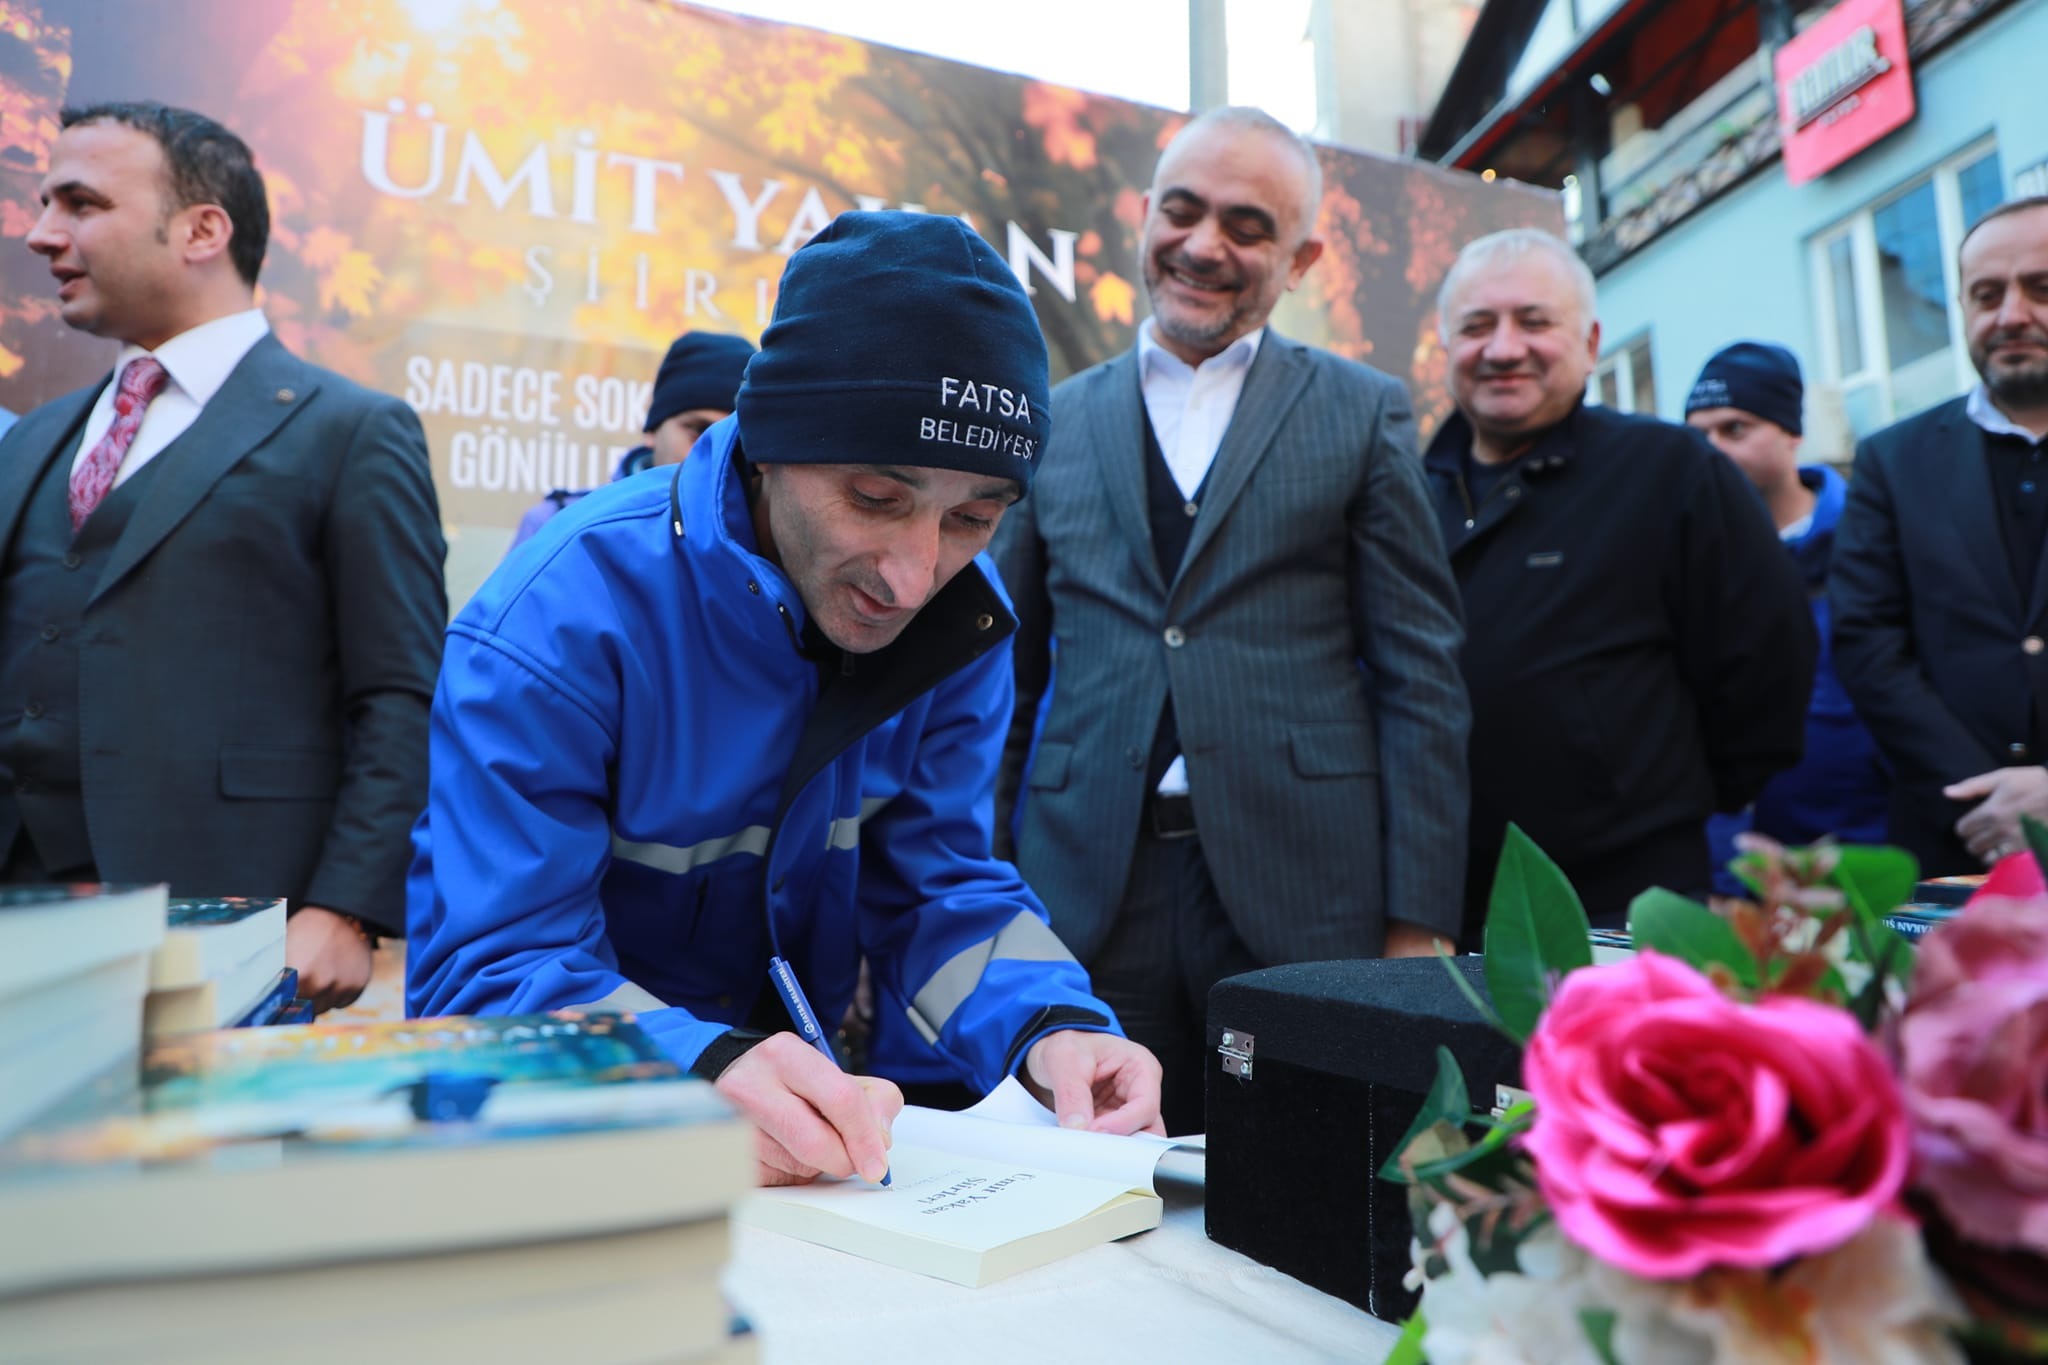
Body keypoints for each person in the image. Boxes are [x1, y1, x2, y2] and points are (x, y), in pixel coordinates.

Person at [408, 212, 1164, 1187]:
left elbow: (936, 883)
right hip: (566, 1152)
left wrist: (1050, 1025)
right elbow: (491, 968)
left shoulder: (958, 621)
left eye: (972, 517)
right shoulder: (554, 620)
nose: (913, 576)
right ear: (769, 441)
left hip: (799, 1151)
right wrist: (697, 1069)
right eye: (876, 499)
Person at [989, 106, 1470, 1137]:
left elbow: (1420, 676)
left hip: (1306, 893)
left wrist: (1417, 924)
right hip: (1084, 893)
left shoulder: (1361, 410)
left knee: (1301, 1179)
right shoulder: (1051, 419)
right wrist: (988, 905)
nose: (1204, 245)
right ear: (1144, 217)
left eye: (1247, 227)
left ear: (1300, 260)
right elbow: (1000, 683)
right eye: (1183, 211)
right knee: (1093, 1183)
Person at [0, 102, 445, 1011]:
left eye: (81, 203)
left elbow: (401, 691)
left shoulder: (351, 431)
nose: (42, 233)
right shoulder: (34, 438)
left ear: (203, 230)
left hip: (226, 942)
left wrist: (346, 907)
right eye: (44, 204)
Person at [1421, 229, 1814, 937]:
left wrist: (1661, 804)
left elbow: (1769, 664)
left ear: (1591, 341)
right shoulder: (1405, 493)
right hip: (1443, 904)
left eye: (1534, 322)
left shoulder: (1672, 470)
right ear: (1445, 344)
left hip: (1628, 899)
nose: (1504, 348)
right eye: (1477, 326)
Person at [1833, 195, 2048, 874]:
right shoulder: (1891, 460)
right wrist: (1990, 798)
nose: (2010, 314)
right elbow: (1867, 642)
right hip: (1957, 843)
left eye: (2041, 288)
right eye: (1986, 295)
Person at [1685, 342, 1888, 886]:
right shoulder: (1679, 563)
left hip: (1858, 874)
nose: (1712, 451)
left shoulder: (1872, 543)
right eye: (1697, 436)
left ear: (1792, 433)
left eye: (1735, 429)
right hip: (1723, 883)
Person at [506, 330, 754, 555]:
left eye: (735, 439)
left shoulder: (763, 547)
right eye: (700, 430)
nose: (715, 449)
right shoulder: (559, 527)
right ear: (653, 429)